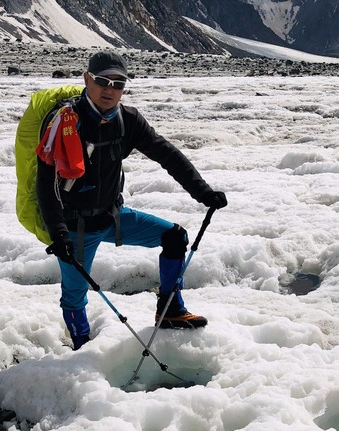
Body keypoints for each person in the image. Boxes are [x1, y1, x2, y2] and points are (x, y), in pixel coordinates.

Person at [36, 50, 227, 350]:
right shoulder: (66, 121)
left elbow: (166, 153)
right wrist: (58, 232)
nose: (110, 90)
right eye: (102, 81)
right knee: (74, 295)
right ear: (87, 79)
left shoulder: (129, 120)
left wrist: (202, 191)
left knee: (175, 237)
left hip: (114, 218)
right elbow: (45, 183)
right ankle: (82, 350)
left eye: (119, 84)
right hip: (74, 228)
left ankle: (171, 312)